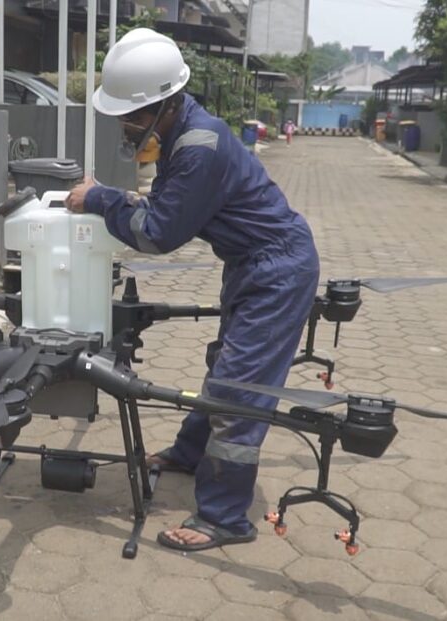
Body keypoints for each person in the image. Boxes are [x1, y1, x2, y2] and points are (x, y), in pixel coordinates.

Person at [65, 28, 320, 552]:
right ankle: (188, 454)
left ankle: (225, 518)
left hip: (276, 271)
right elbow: (163, 206)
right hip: (252, 264)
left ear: (163, 104)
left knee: (238, 392)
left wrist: (100, 199)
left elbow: (158, 233)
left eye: (131, 115)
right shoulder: (183, 134)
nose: (125, 125)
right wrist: (117, 199)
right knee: (226, 369)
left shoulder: (198, 146)